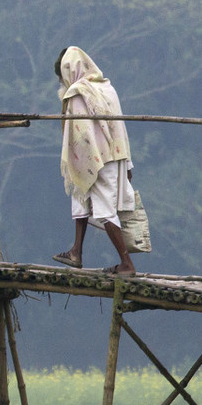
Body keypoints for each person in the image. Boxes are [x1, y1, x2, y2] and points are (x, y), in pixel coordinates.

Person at [50, 45, 137, 275]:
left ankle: (126, 263)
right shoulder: (107, 88)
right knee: (80, 197)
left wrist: (84, 163)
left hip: (99, 160)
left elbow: (81, 135)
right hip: (115, 154)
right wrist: (128, 162)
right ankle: (76, 251)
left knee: (105, 211)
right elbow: (120, 127)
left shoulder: (78, 94)